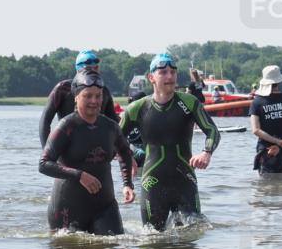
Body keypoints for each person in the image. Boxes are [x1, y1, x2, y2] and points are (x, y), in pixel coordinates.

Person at [120, 52, 220, 231]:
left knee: (190, 244)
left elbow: (212, 131)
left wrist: (206, 152)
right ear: (151, 77)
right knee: (153, 243)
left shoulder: (189, 102)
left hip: (185, 181)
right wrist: (128, 164)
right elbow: (115, 141)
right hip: (152, 182)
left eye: (173, 72)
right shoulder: (137, 108)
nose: (170, 76)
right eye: (163, 72)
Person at [39, 71, 135, 235]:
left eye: (98, 96)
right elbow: (44, 164)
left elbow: (125, 153)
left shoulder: (111, 127)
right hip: (67, 209)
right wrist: (80, 175)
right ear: (76, 97)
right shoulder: (66, 126)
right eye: (88, 96)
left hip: (105, 206)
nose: (94, 101)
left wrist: (127, 184)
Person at [39, 50, 117, 146]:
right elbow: (45, 121)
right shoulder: (63, 89)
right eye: (88, 68)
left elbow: (115, 125)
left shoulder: (103, 91)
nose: (93, 72)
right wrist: (47, 150)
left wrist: (115, 150)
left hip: (94, 150)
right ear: (78, 70)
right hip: (67, 149)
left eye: (96, 68)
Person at [250, 65, 282, 175]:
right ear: (279, 82)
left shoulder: (257, 102)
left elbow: (255, 130)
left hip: (267, 152)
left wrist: (277, 143)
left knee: (266, 188)